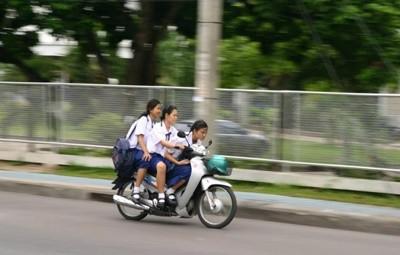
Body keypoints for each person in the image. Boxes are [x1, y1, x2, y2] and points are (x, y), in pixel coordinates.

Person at [146, 105, 188, 207]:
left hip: (164, 157)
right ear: (166, 115)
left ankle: (170, 191)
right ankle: (161, 196)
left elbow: (182, 139)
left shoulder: (173, 130)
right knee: (161, 166)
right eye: (174, 115)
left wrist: (192, 145)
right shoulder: (157, 127)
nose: (176, 117)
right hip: (152, 156)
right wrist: (176, 145)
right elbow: (164, 143)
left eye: (177, 116)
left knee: (187, 169)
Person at [126, 99, 161, 202]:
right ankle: (136, 190)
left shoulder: (153, 123)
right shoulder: (143, 120)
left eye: (160, 109)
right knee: (145, 160)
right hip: (133, 150)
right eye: (158, 108)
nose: (160, 111)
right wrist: (146, 152)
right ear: (151, 109)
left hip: (140, 149)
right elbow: (140, 138)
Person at [164, 120, 208, 202]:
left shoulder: (198, 143)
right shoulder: (182, 139)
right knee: (191, 172)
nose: (204, 135)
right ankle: (171, 190)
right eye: (202, 132)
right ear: (195, 131)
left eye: (205, 133)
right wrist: (177, 162)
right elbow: (165, 154)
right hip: (170, 165)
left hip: (181, 165)